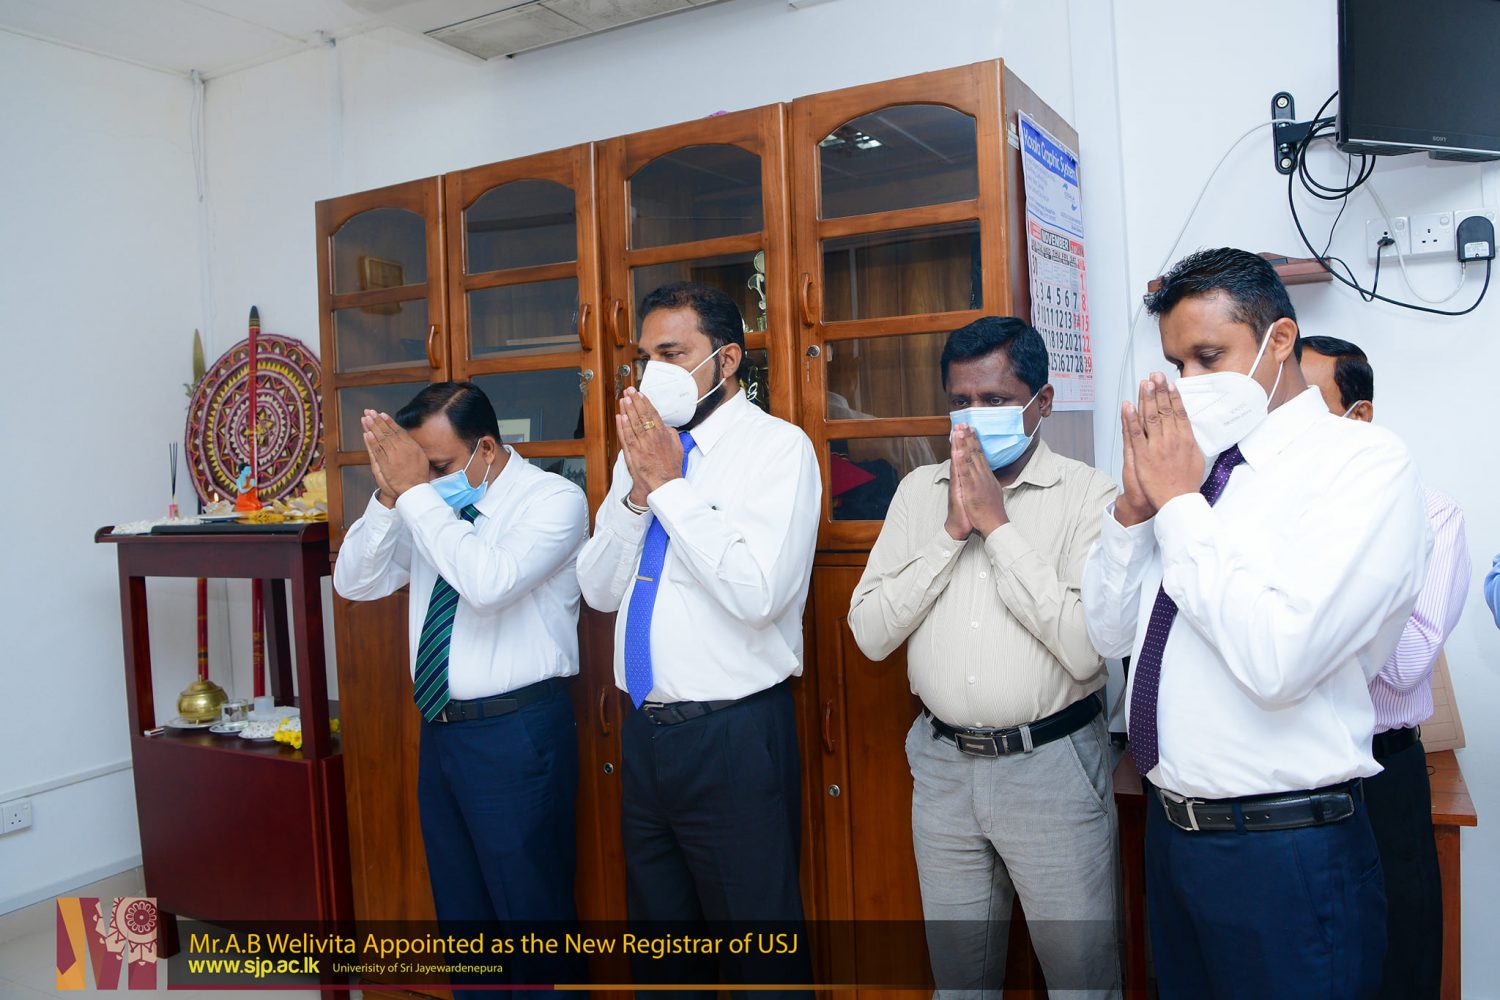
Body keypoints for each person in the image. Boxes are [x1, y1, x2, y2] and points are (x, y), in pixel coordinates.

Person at [1081, 248, 1431, 999]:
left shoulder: (1363, 465)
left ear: (1279, 341)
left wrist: (1179, 506)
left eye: (1209, 357)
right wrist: (1132, 514)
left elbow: (1280, 662)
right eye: (1177, 364)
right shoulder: (1194, 468)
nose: (1189, 384)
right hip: (1174, 838)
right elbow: (1109, 637)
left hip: (1288, 852)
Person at [847, 316, 1121, 998]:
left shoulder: (1090, 494)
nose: (974, 416)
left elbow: (1086, 648)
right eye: (961, 400)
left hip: (1052, 767)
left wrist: (996, 527)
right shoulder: (918, 493)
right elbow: (870, 632)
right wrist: (950, 532)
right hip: (944, 768)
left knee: (1082, 983)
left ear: (1042, 402)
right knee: (959, 984)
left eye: (996, 400)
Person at [575, 282, 820, 995]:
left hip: (733, 736)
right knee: (664, 955)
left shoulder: (778, 450)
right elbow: (598, 590)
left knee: (759, 957)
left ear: (727, 359)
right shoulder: (640, 453)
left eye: (672, 354)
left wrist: (670, 488)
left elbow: (758, 595)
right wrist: (636, 492)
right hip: (646, 734)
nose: (652, 374)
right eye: (644, 357)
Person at [332, 382, 588, 993]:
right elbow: (355, 582)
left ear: (487, 449)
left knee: (533, 920)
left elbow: (488, 583)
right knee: (465, 923)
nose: (428, 479)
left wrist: (419, 496)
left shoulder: (553, 500)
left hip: (517, 735)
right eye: (417, 466)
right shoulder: (424, 502)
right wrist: (389, 496)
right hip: (442, 733)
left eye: (439, 466)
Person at [1302, 335, 1468, 999]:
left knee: (1398, 955)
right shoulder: (1261, 512)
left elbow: (1406, 663)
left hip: (1380, 770)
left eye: (1306, 408)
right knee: (1308, 959)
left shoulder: (1431, 512)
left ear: (1359, 416)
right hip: (1292, 764)